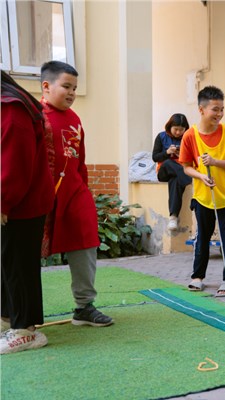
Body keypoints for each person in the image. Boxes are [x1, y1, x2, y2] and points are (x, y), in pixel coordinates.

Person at [40, 61, 113, 326]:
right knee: (23, 254)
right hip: (39, 197)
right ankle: (16, 313)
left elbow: (80, 161)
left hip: (74, 194)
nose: (72, 93)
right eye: (66, 86)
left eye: (75, 88)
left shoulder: (75, 119)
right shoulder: (34, 116)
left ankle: (84, 307)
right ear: (46, 86)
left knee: (85, 242)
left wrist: (83, 190)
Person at [0, 71, 55, 354]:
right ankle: (9, 319)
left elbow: (14, 163)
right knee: (7, 263)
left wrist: (3, 202)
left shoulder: (11, 108)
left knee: (18, 266)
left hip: (21, 203)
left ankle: (25, 330)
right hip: (17, 200)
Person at [179, 86, 225, 297]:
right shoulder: (190, 136)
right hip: (203, 197)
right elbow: (186, 167)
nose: (219, 114)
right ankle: (197, 277)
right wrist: (201, 176)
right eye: (215, 109)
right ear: (201, 109)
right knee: (203, 237)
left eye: (222, 109)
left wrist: (215, 162)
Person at [152, 113, 192, 231]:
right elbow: (155, 157)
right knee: (169, 162)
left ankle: (173, 217)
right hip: (164, 171)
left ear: (185, 129)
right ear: (170, 126)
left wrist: (181, 155)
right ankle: (189, 180)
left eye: (181, 130)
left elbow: (193, 158)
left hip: (179, 171)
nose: (178, 132)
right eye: (176, 129)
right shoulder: (161, 136)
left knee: (175, 180)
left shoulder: (188, 138)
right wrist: (167, 152)